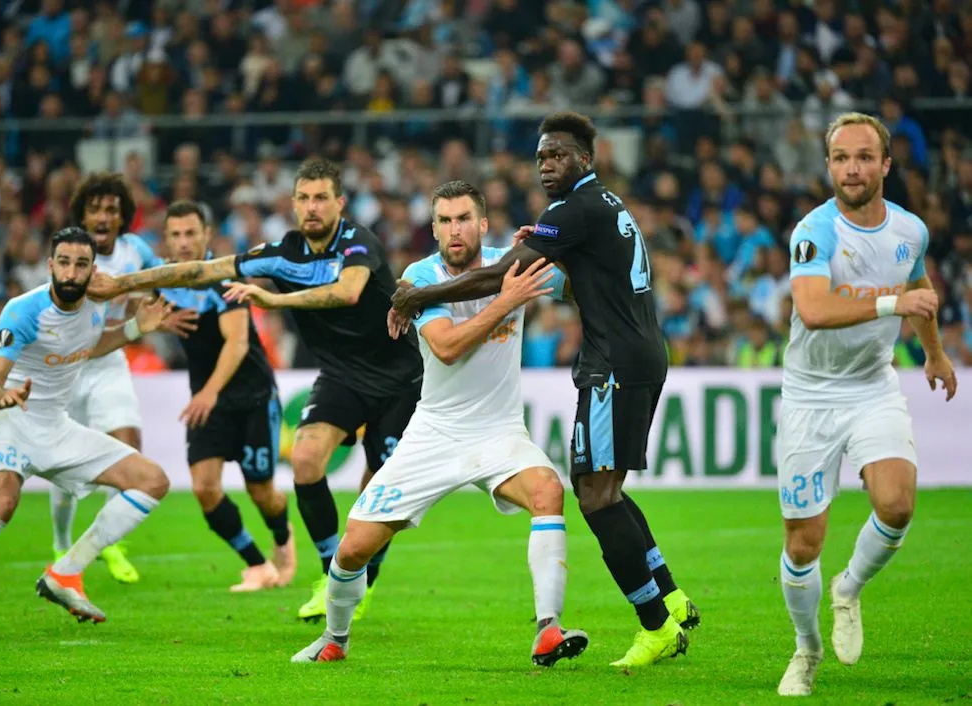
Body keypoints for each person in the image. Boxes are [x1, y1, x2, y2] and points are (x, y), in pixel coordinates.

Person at [389, 112, 698, 668]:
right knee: (608, 488)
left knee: (595, 497)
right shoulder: (603, 205)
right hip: (641, 354)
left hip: (614, 366)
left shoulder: (573, 209)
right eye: (541, 157)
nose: (547, 165)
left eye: (558, 155)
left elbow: (502, 274)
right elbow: (567, 269)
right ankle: (672, 597)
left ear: (585, 158)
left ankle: (656, 627)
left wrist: (418, 294)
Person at [86, 156, 423, 621]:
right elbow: (199, 272)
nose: (312, 207)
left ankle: (365, 578)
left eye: (321, 197)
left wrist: (273, 297)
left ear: (340, 203)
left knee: (380, 497)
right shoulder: (283, 252)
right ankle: (332, 577)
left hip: (401, 379)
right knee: (304, 461)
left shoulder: (358, 243)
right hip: (342, 377)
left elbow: (346, 292)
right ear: (292, 204)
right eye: (303, 198)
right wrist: (121, 283)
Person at [286, 180, 589, 666]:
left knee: (548, 491)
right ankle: (334, 639)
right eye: (445, 220)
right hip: (434, 434)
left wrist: (556, 255)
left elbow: (579, 286)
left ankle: (548, 629)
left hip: (499, 433)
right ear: (433, 228)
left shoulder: (512, 264)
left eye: (464, 218)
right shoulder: (419, 277)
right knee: (353, 548)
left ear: (483, 224)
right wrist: (507, 301)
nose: (455, 229)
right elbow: (447, 347)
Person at [0, 228, 172, 635]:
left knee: (152, 480)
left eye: (81, 264)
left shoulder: (97, 305)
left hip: (56, 426)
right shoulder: (23, 311)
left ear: (91, 270)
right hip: (6, 420)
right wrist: (5, 395)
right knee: (2, 503)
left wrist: (137, 327)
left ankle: (65, 574)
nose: (71, 272)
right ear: (50, 265)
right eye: (63, 262)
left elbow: (90, 344)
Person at [774, 112, 957, 697]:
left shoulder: (910, 231)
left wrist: (934, 354)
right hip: (809, 397)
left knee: (897, 505)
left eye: (862, 157)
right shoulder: (815, 229)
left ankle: (848, 589)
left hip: (873, 385)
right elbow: (814, 310)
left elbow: (918, 289)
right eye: (840, 158)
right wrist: (891, 305)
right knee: (804, 543)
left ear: (885, 165)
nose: (851, 169)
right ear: (828, 165)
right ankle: (806, 651)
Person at [49, 173, 195, 584]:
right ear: (82, 214)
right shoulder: (73, 255)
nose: (103, 216)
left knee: (128, 450)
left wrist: (162, 311)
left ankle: (108, 542)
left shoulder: (135, 250)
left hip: (110, 363)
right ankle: (61, 544)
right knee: (63, 470)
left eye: (111, 209)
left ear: (122, 217)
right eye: (94, 208)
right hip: (67, 367)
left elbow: (160, 282)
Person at [158, 200, 296, 591]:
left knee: (261, 492)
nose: (184, 242)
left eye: (191, 233)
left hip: (252, 399)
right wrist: (151, 321)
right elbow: (132, 305)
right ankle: (257, 566)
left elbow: (236, 344)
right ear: (166, 240)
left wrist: (208, 394)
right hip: (209, 400)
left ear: (206, 236)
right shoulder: (165, 282)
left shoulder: (223, 282)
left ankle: (284, 537)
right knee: (203, 488)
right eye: (176, 235)